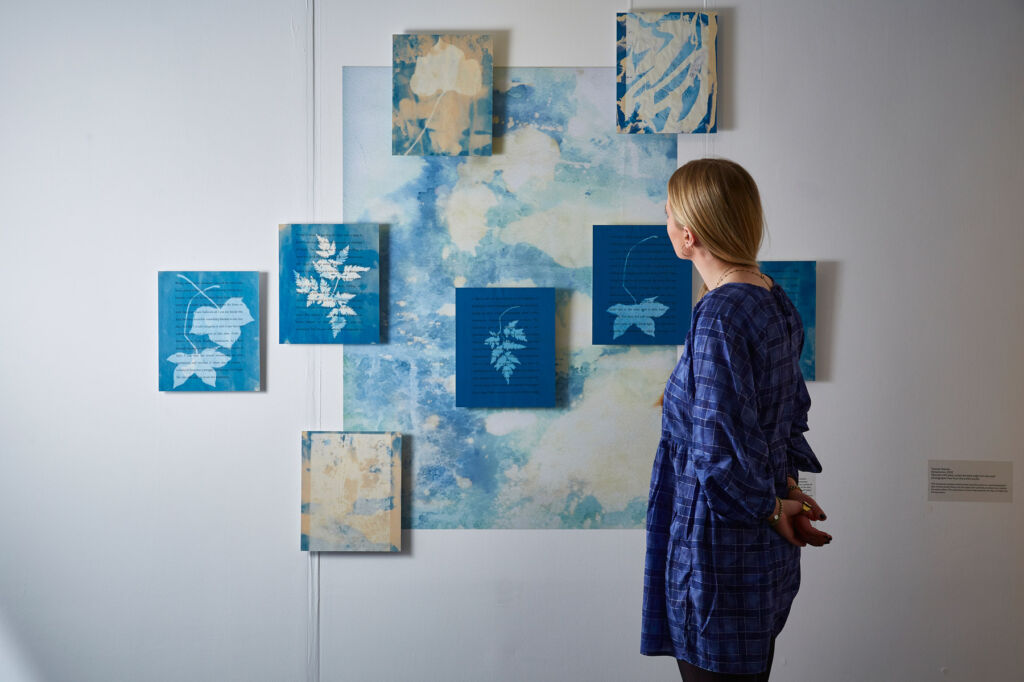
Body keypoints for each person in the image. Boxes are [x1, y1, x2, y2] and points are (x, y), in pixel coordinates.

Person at [641, 158, 831, 681]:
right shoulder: (773, 298)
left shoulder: (721, 314)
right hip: (760, 545)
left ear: (688, 233)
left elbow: (717, 456)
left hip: (720, 556)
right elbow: (789, 418)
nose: (666, 224)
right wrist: (783, 495)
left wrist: (771, 508)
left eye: (668, 214)